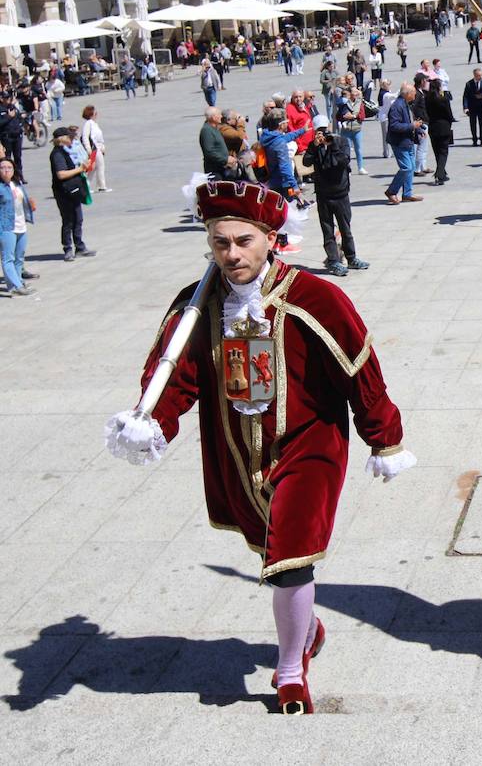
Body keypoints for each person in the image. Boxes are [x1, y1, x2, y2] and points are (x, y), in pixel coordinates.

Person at [105, 179, 413, 715]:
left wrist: (382, 436)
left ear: (272, 238)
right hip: (235, 450)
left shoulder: (314, 298)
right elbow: (174, 376)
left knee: (290, 557)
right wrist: (152, 420)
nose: (231, 254)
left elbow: (358, 367)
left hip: (308, 445)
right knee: (271, 554)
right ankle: (306, 625)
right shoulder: (196, 308)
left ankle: (291, 668)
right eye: (220, 242)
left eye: (243, 241)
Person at [302, 116, 370, 277]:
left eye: (325, 130)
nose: (324, 134)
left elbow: (342, 161)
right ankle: (333, 260)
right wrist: (315, 146)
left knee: (346, 228)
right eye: (320, 131)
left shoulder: (341, 142)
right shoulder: (315, 146)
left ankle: (351, 258)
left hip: (340, 193)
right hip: (323, 194)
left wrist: (331, 145)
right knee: (327, 230)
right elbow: (306, 162)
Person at [49, 127, 95, 262]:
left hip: (73, 189)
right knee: (68, 220)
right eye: (69, 137)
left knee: (78, 218)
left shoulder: (65, 151)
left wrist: (83, 168)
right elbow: (61, 174)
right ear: (62, 139)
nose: (72, 139)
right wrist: (79, 169)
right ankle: (68, 248)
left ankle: (80, 246)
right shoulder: (57, 154)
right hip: (63, 191)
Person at [0, 156, 36, 296]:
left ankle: (16, 283)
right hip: (6, 226)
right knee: (8, 257)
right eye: (2, 168)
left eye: (9, 168)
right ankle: (17, 286)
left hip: (21, 225)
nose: (6, 171)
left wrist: (30, 204)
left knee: (19, 257)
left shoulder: (17, 183)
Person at [384, 82, 424, 204]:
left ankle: (407, 193)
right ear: (407, 94)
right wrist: (412, 125)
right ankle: (391, 191)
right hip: (399, 142)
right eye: (413, 94)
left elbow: (409, 121)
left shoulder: (405, 104)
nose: (415, 96)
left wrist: (418, 129)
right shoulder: (397, 106)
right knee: (406, 168)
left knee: (411, 168)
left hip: (408, 141)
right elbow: (394, 126)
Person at [425, 76, 456, 185]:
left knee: (437, 151)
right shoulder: (443, 99)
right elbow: (449, 114)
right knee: (443, 152)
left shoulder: (427, 99)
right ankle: (439, 174)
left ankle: (442, 173)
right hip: (444, 127)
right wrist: (450, 123)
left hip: (433, 127)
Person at [79, 104, 110, 193]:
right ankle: (102, 186)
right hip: (94, 148)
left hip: (98, 147)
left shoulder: (94, 124)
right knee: (100, 166)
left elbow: (99, 138)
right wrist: (88, 149)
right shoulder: (88, 124)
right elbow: (85, 137)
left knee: (94, 167)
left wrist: (102, 147)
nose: (96, 114)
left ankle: (87, 186)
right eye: (95, 113)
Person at [462, 68, 482, 147]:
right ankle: (474, 139)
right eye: (478, 75)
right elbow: (465, 96)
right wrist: (465, 107)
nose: (480, 77)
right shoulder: (469, 84)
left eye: (480, 75)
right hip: (472, 107)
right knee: (473, 124)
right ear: (474, 75)